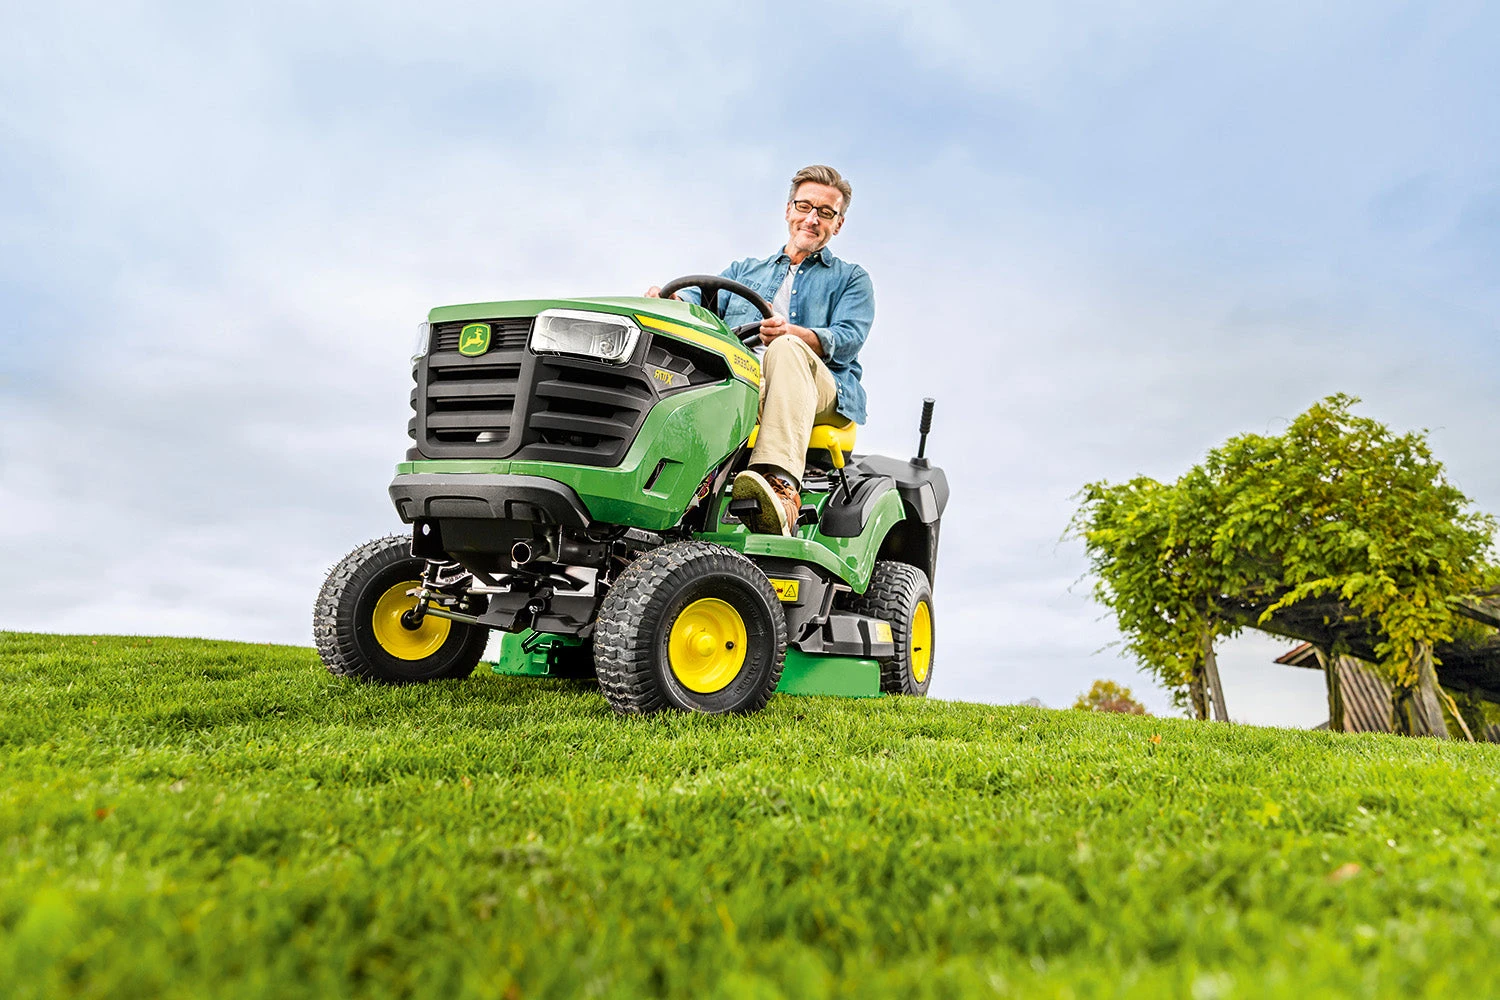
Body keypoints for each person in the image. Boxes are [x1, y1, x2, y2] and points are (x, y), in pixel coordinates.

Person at [646, 164, 874, 536]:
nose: (812, 219)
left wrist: (795, 333)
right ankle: (675, 488)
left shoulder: (851, 279)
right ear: (789, 211)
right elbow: (699, 306)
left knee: (785, 347)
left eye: (825, 212)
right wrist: (670, 300)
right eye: (804, 207)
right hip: (750, 382)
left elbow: (847, 338)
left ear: (838, 224)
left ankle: (780, 489)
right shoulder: (744, 270)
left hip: (822, 388)